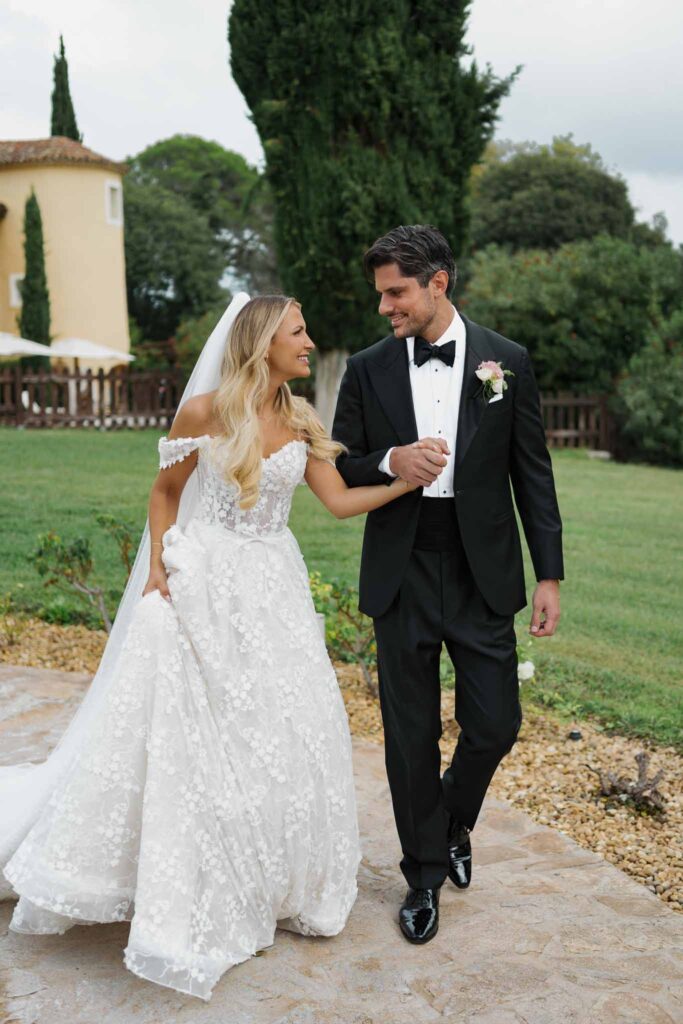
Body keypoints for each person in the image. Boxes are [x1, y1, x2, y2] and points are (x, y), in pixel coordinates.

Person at [0, 294, 429, 1001]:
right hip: (209, 580)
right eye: (297, 330)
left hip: (275, 589)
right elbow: (165, 492)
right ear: (261, 341)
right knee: (210, 730)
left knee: (283, 727)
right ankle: (203, 871)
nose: (307, 340)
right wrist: (161, 570)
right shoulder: (203, 412)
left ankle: (268, 875)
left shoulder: (299, 417)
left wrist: (400, 483)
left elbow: (338, 501)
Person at [332, 225, 564, 944]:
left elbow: (532, 472)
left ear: (437, 283)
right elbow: (342, 465)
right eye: (380, 295)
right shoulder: (367, 368)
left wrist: (548, 571)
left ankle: (449, 822)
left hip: (480, 568)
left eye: (395, 292)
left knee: (495, 722)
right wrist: (392, 459)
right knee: (409, 735)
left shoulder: (507, 361)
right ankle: (424, 874)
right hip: (400, 565)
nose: (384, 308)